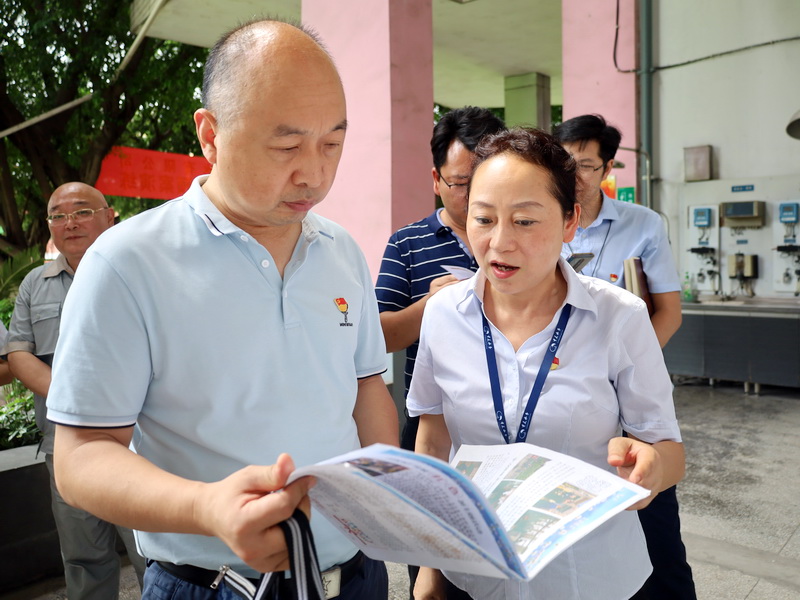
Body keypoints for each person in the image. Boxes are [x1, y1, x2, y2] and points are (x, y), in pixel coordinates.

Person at [46, 19, 398, 600]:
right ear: (210, 135)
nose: (314, 173)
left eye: (332, 143)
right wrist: (207, 507)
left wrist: (388, 490)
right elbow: (82, 455)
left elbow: (365, 387)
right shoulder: (128, 262)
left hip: (356, 577)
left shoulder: (340, 250)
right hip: (213, 585)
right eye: (286, 146)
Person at [409, 127, 685, 599]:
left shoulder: (619, 317)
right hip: (474, 573)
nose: (500, 242)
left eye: (525, 221)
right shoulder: (442, 314)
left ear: (570, 221)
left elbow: (668, 449)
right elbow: (434, 443)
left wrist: (652, 467)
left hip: (587, 577)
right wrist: (432, 562)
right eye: (484, 218)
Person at [554, 114, 696, 599]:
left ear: (608, 168)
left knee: (654, 520)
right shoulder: (543, 220)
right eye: (564, 163)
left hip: (629, 397)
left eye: (586, 165)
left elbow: (669, 313)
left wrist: (630, 369)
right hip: (562, 394)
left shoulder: (643, 225)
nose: (574, 175)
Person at [376, 107, 504, 600]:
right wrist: (431, 307)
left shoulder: (520, 239)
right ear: (436, 180)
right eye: (461, 184)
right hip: (434, 423)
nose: (475, 197)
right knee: (434, 571)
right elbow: (380, 335)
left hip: (511, 421)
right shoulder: (408, 244)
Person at [3, 182, 146, 599]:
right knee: (83, 557)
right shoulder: (35, 284)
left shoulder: (141, 269)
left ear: (109, 216)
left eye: (82, 211)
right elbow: (18, 355)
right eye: (58, 215)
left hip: (140, 441)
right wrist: (76, 401)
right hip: (64, 443)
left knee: (154, 551)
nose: (70, 223)